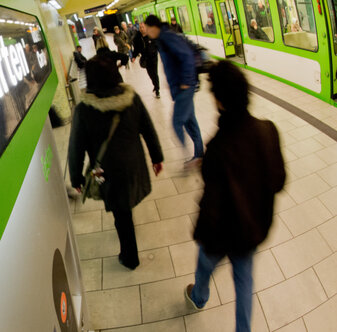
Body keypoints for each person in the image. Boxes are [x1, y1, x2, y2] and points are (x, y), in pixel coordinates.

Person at [185, 61, 285, 332]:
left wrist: (201, 233)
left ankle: (199, 296)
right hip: (251, 230)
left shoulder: (218, 148)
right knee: (244, 282)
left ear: (220, 101)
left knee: (205, 265)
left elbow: (213, 205)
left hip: (220, 236)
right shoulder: (268, 130)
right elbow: (278, 181)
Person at [68, 55, 164, 270]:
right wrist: (157, 157)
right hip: (133, 164)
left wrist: (76, 176)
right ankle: (126, 217)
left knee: (121, 214)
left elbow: (76, 146)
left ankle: (130, 258)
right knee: (124, 207)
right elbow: (148, 129)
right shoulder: (132, 98)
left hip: (106, 171)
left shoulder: (84, 109)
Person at [144, 15, 204, 166]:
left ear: (153, 27)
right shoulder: (162, 38)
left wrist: (185, 81)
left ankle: (188, 154)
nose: (146, 31)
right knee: (190, 123)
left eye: (147, 28)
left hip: (184, 86)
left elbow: (187, 56)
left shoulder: (167, 37)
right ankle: (199, 155)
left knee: (177, 122)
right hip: (180, 87)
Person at [132, 23, 160, 98]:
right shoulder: (137, 38)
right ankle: (155, 85)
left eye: (143, 27)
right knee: (150, 74)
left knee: (155, 73)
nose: (141, 29)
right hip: (145, 59)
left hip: (153, 58)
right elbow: (136, 49)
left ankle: (157, 90)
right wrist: (134, 56)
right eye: (140, 27)